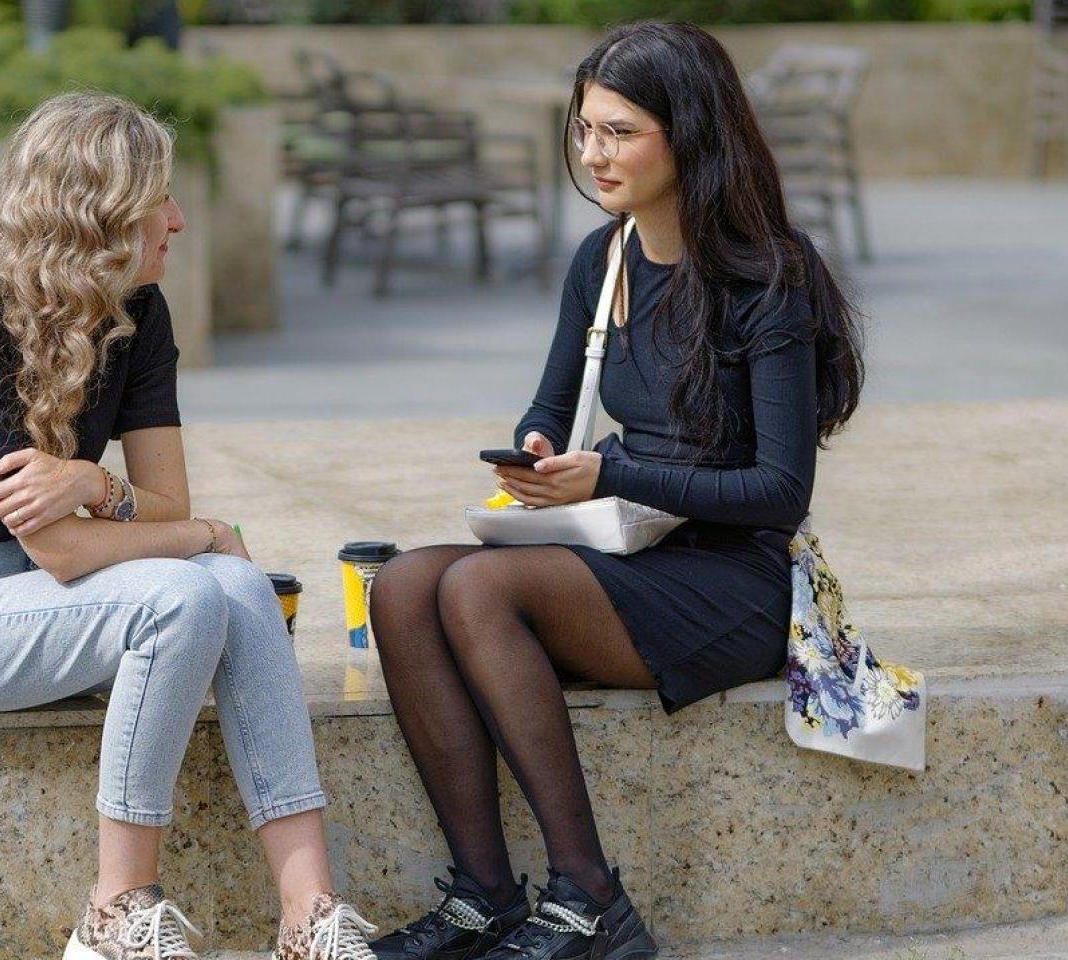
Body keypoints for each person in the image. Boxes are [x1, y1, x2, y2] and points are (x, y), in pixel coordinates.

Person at [365, 22, 865, 960]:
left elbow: (781, 492)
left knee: (476, 586)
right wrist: (533, 451)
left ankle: (591, 899)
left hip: (734, 578)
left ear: (691, 134)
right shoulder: (603, 260)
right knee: (400, 585)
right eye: (585, 129)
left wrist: (610, 472)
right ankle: (483, 896)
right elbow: (550, 406)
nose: (593, 154)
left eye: (620, 132)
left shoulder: (769, 275)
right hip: (628, 545)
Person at [0, 91, 380, 960]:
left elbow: (156, 504)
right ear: (94, 217)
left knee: (241, 588)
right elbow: (63, 551)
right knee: (182, 592)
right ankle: (115, 912)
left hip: (52, 594)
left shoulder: (139, 316)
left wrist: (95, 482)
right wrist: (201, 533)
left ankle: (309, 913)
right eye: (156, 202)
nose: (176, 219)